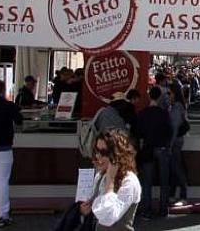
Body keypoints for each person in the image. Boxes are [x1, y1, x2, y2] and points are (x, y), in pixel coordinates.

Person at [80, 129, 141, 230]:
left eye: (104, 152)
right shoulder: (100, 176)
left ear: (117, 155)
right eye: (96, 151)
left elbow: (108, 218)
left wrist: (110, 180)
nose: (98, 156)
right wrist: (86, 208)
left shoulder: (129, 181)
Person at [0, 79, 23, 227]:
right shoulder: (9, 106)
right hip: (4, 150)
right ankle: (3, 216)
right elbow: (19, 121)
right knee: (3, 183)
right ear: (2, 91)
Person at [136, 86, 173, 219]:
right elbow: (170, 131)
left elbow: (138, 132)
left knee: (147, 182)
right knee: (164, 180)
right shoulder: (164, 114)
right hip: (162, 148)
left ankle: (147, 209)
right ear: (159, 97)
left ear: (149, 96)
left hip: (147, 148)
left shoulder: (142, 113)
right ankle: (163, 209)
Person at [168, 88, 189, 207]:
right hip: (175, 141)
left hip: (175, 142)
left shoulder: (175, 108)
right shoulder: (177, 106)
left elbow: (174, 128)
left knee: (176, 168)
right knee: (175, 168)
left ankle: (183, 195)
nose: (167, 96)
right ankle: (174, 194)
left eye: (169, 93)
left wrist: (170, 144)